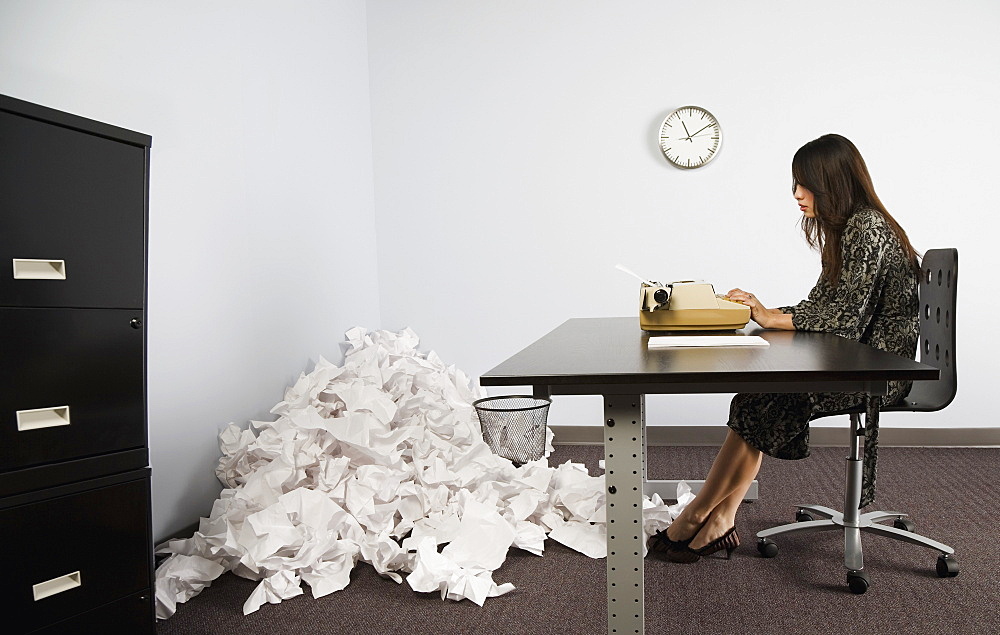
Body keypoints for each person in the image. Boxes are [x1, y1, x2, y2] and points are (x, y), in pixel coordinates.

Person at [648, 133, 921, 563]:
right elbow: (825, 305)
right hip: (857, 361)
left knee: (767, 400)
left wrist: (771, 317)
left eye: (805, 184)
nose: (796, 194)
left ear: (834, 182)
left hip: (878, 372)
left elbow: (844, 321)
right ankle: (720, 520)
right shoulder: (847, 228)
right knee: (759, 397)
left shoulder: (866, 228)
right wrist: (766, 309)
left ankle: (697, 515)